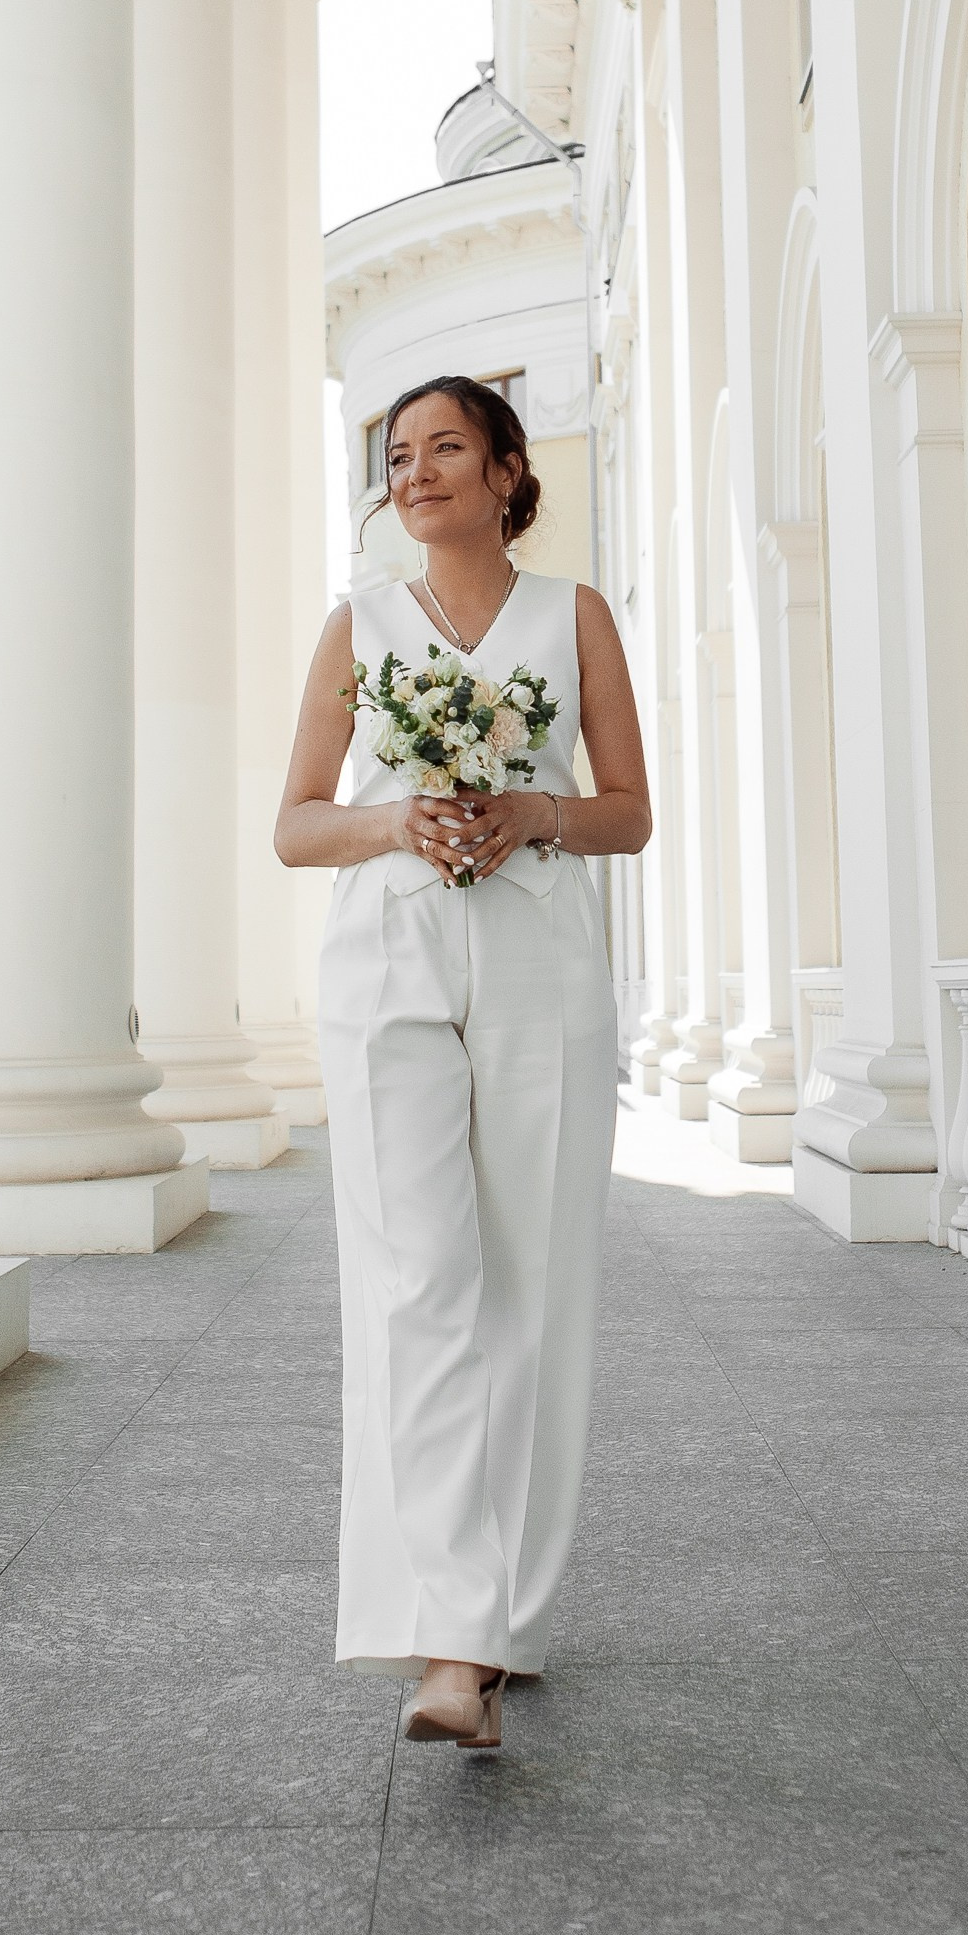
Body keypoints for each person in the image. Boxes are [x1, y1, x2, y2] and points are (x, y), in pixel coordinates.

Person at [275, 377, 652, 1751]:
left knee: (534, 1285)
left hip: (540, 965)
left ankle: (498, 1624)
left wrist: (528, 811)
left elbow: (629, 811)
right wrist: (402, 824)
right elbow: (296, 825)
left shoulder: (573, 617)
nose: (415, 470)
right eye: (397, 455)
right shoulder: (356, 626)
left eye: (445, 448)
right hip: (385, 970)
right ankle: (447, 1637)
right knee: (417, 1284)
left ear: (505, 470)